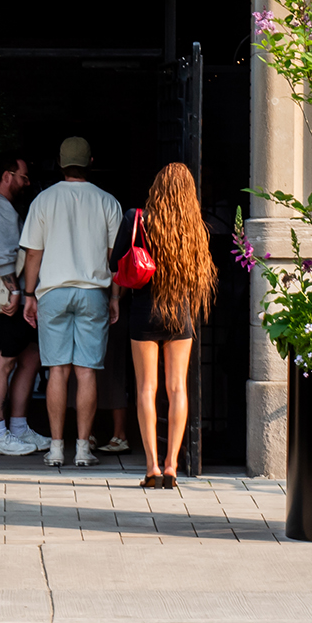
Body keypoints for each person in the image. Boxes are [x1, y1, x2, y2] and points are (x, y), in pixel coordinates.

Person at [113, 162, 218, 489]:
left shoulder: (137, 219)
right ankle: (173, 465)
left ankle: (151, 467)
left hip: (144, 311)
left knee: (147, 389)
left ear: (156, 187)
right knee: (177, 389)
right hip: (180, 313)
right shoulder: (194, 227)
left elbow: (116, 261)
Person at [21, 137, 122, 469]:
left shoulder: (43, 201)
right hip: (94, 291)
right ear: (91, 161)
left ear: (60, 163)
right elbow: (115, 257)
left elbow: (33, 253)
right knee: (87, 372)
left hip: (53, 292)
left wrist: (29, 294)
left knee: (57, 372)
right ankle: (82, 449)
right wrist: (115, 297)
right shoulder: (108, 202)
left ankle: (55, 448)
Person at [0, 152, 46, 457]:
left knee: (29, 356)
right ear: (7, 176)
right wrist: (15, 291)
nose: (26, 183)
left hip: (9, 296)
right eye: (23, 177)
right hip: (4, 298)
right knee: (1, 362)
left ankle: (17, 428)